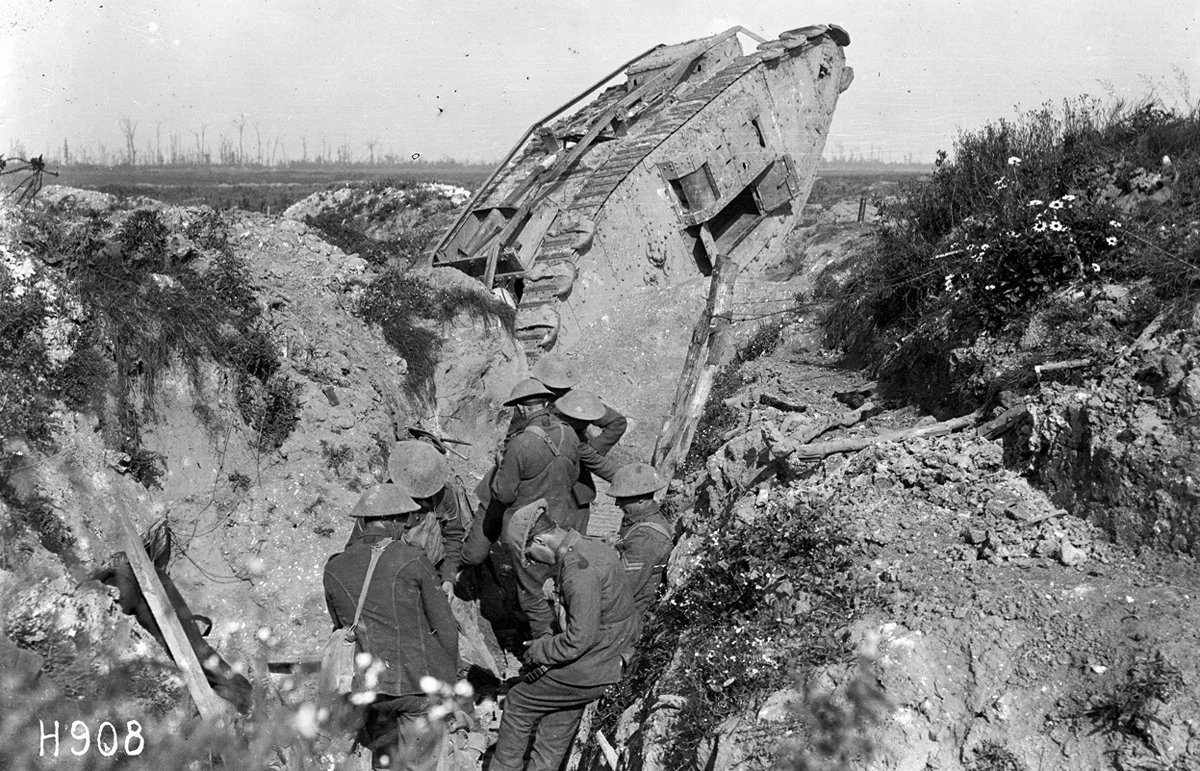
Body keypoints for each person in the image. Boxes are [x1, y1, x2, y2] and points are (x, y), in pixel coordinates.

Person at [489, 499, 637, 771]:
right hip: (608, 659)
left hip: (594, 664)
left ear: (542, 541)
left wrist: (540, 649)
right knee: (558, 717)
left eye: (531, 554)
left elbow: (578, 640)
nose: (534, 562)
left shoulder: (577, 570)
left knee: (519, 701)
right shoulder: (592, 547)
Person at [324, 483, 459, 771]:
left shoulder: (334, 567)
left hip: (367, 689)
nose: (408, 526)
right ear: (393, 520)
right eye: (406, 520)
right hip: (414, 688)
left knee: (383, 762)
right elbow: (445, 627)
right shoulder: (412, 558)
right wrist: (451, 678)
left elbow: (340, 626)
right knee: (418, 765)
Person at [486, 379, 618, 638]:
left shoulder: (520, 443)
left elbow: (503, 493)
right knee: (559, 583)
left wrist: (501, 465)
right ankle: (565, 634)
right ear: (546, 403)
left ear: (522, 409)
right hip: (561, 523)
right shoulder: (569, 433)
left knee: (533, 593)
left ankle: (542, 648)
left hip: (530, 529)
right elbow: (574, 475)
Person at [346, 439, 468, 600]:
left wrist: (448, 578)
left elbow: (453, 536)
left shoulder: (443, 496)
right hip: (390, 581)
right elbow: (354, 552)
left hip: (432, 573)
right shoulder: (378, 503)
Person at [607, 463, 673, 626]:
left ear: (642, 498)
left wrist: (607, 553)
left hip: (629, 619)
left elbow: (622, 588)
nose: (617, 504)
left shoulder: (647, 538)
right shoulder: (636, 520)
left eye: (623, 498)